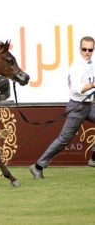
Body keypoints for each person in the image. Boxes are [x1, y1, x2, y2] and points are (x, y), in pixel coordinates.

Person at [30, 36, 95, 180]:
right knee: (64, 139)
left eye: (90, 50)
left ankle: (94, 158)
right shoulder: (77, 66)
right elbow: (80, 89)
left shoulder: (90, 64)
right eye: (84, 49)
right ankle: (38, 166)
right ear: (80, 49)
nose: (87, 52)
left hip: (89, 105)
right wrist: (93, 85)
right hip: (77, 107)